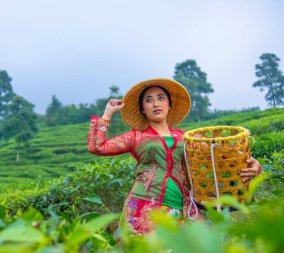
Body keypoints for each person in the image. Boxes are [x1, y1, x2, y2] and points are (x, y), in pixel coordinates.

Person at [88, 78, 262, 235]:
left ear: (169, 105)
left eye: (161, 98)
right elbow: (97, 146)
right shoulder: (136, 137)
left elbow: (222, 156)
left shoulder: (187, 138)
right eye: (149, 100)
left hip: (183, 207)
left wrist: (253, 165)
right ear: (143, 109)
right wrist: (108, 113)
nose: (155, 103)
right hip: (144, 206)